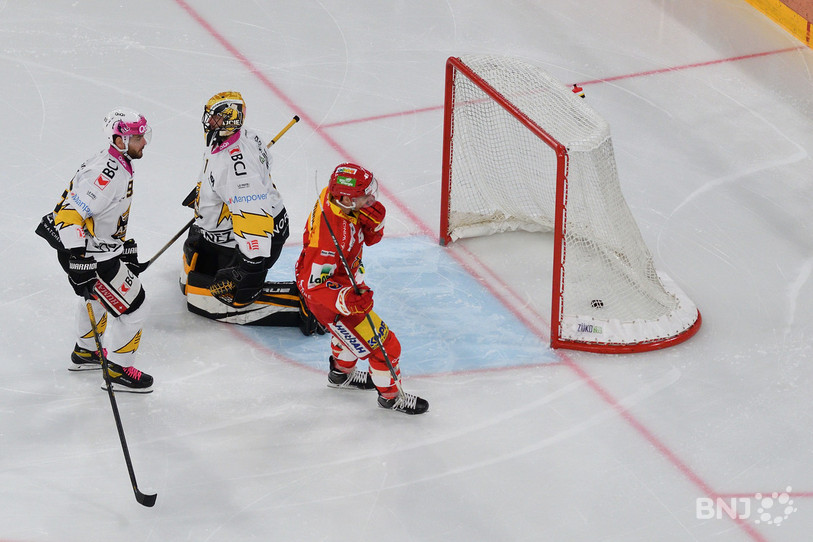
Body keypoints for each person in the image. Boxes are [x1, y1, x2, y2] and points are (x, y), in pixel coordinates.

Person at [179, 91, 321, 334]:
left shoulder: (236, 173)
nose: (208, 121)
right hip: (250, 223)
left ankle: (307, 308)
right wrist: (209, 191)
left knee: (201, 296)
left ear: (230, 119)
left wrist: (250, 267)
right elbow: (261, 166)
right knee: (190, 265)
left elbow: (253, 215)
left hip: (254, 237)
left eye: (215, 117)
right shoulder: (243, 136)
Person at [35, 108, 154, 393]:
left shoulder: (116, 161)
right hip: (89, 256)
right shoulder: (106, 173)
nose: (144, 142)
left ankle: (87, 352)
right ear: (120, 139)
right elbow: (69, 215)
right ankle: (118, 369)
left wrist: (119, 246)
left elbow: (101, 215)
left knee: (99, 299)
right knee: (136, 307)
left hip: (96, 251)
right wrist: (79, 260)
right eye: (138, 137)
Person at [294, 163, 429, 415]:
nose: (370, 198)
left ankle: (340, 376)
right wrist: (346, 300)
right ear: (345, 197)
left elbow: (364, 237)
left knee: (347, 334)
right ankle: (391, 397)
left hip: (344, 282)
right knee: (387, 346)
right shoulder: (326, 242)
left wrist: (374, 226)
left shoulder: (335, 199)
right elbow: (311, 286)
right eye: (364, 195)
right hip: (331, 298)